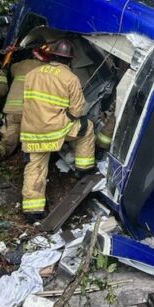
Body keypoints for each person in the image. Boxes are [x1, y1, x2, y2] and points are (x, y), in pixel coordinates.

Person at [19, 39, 95, 220]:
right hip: (55, 131)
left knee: (35, 166)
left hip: (30, 131)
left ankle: (32, 211)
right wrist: (64, 119)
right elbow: (77, 110)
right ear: (70, 61)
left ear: (51, 55)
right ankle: (83, 168)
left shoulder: (32, 74)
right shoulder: (70, 78)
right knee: (87, 127)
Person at [0, 44, 50, 159]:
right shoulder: (50, 71)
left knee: (7, 141)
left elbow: (11, 70)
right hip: (32, 113)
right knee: (31, 143)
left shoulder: (21, 65)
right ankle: (26, 160)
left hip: (12, 111)